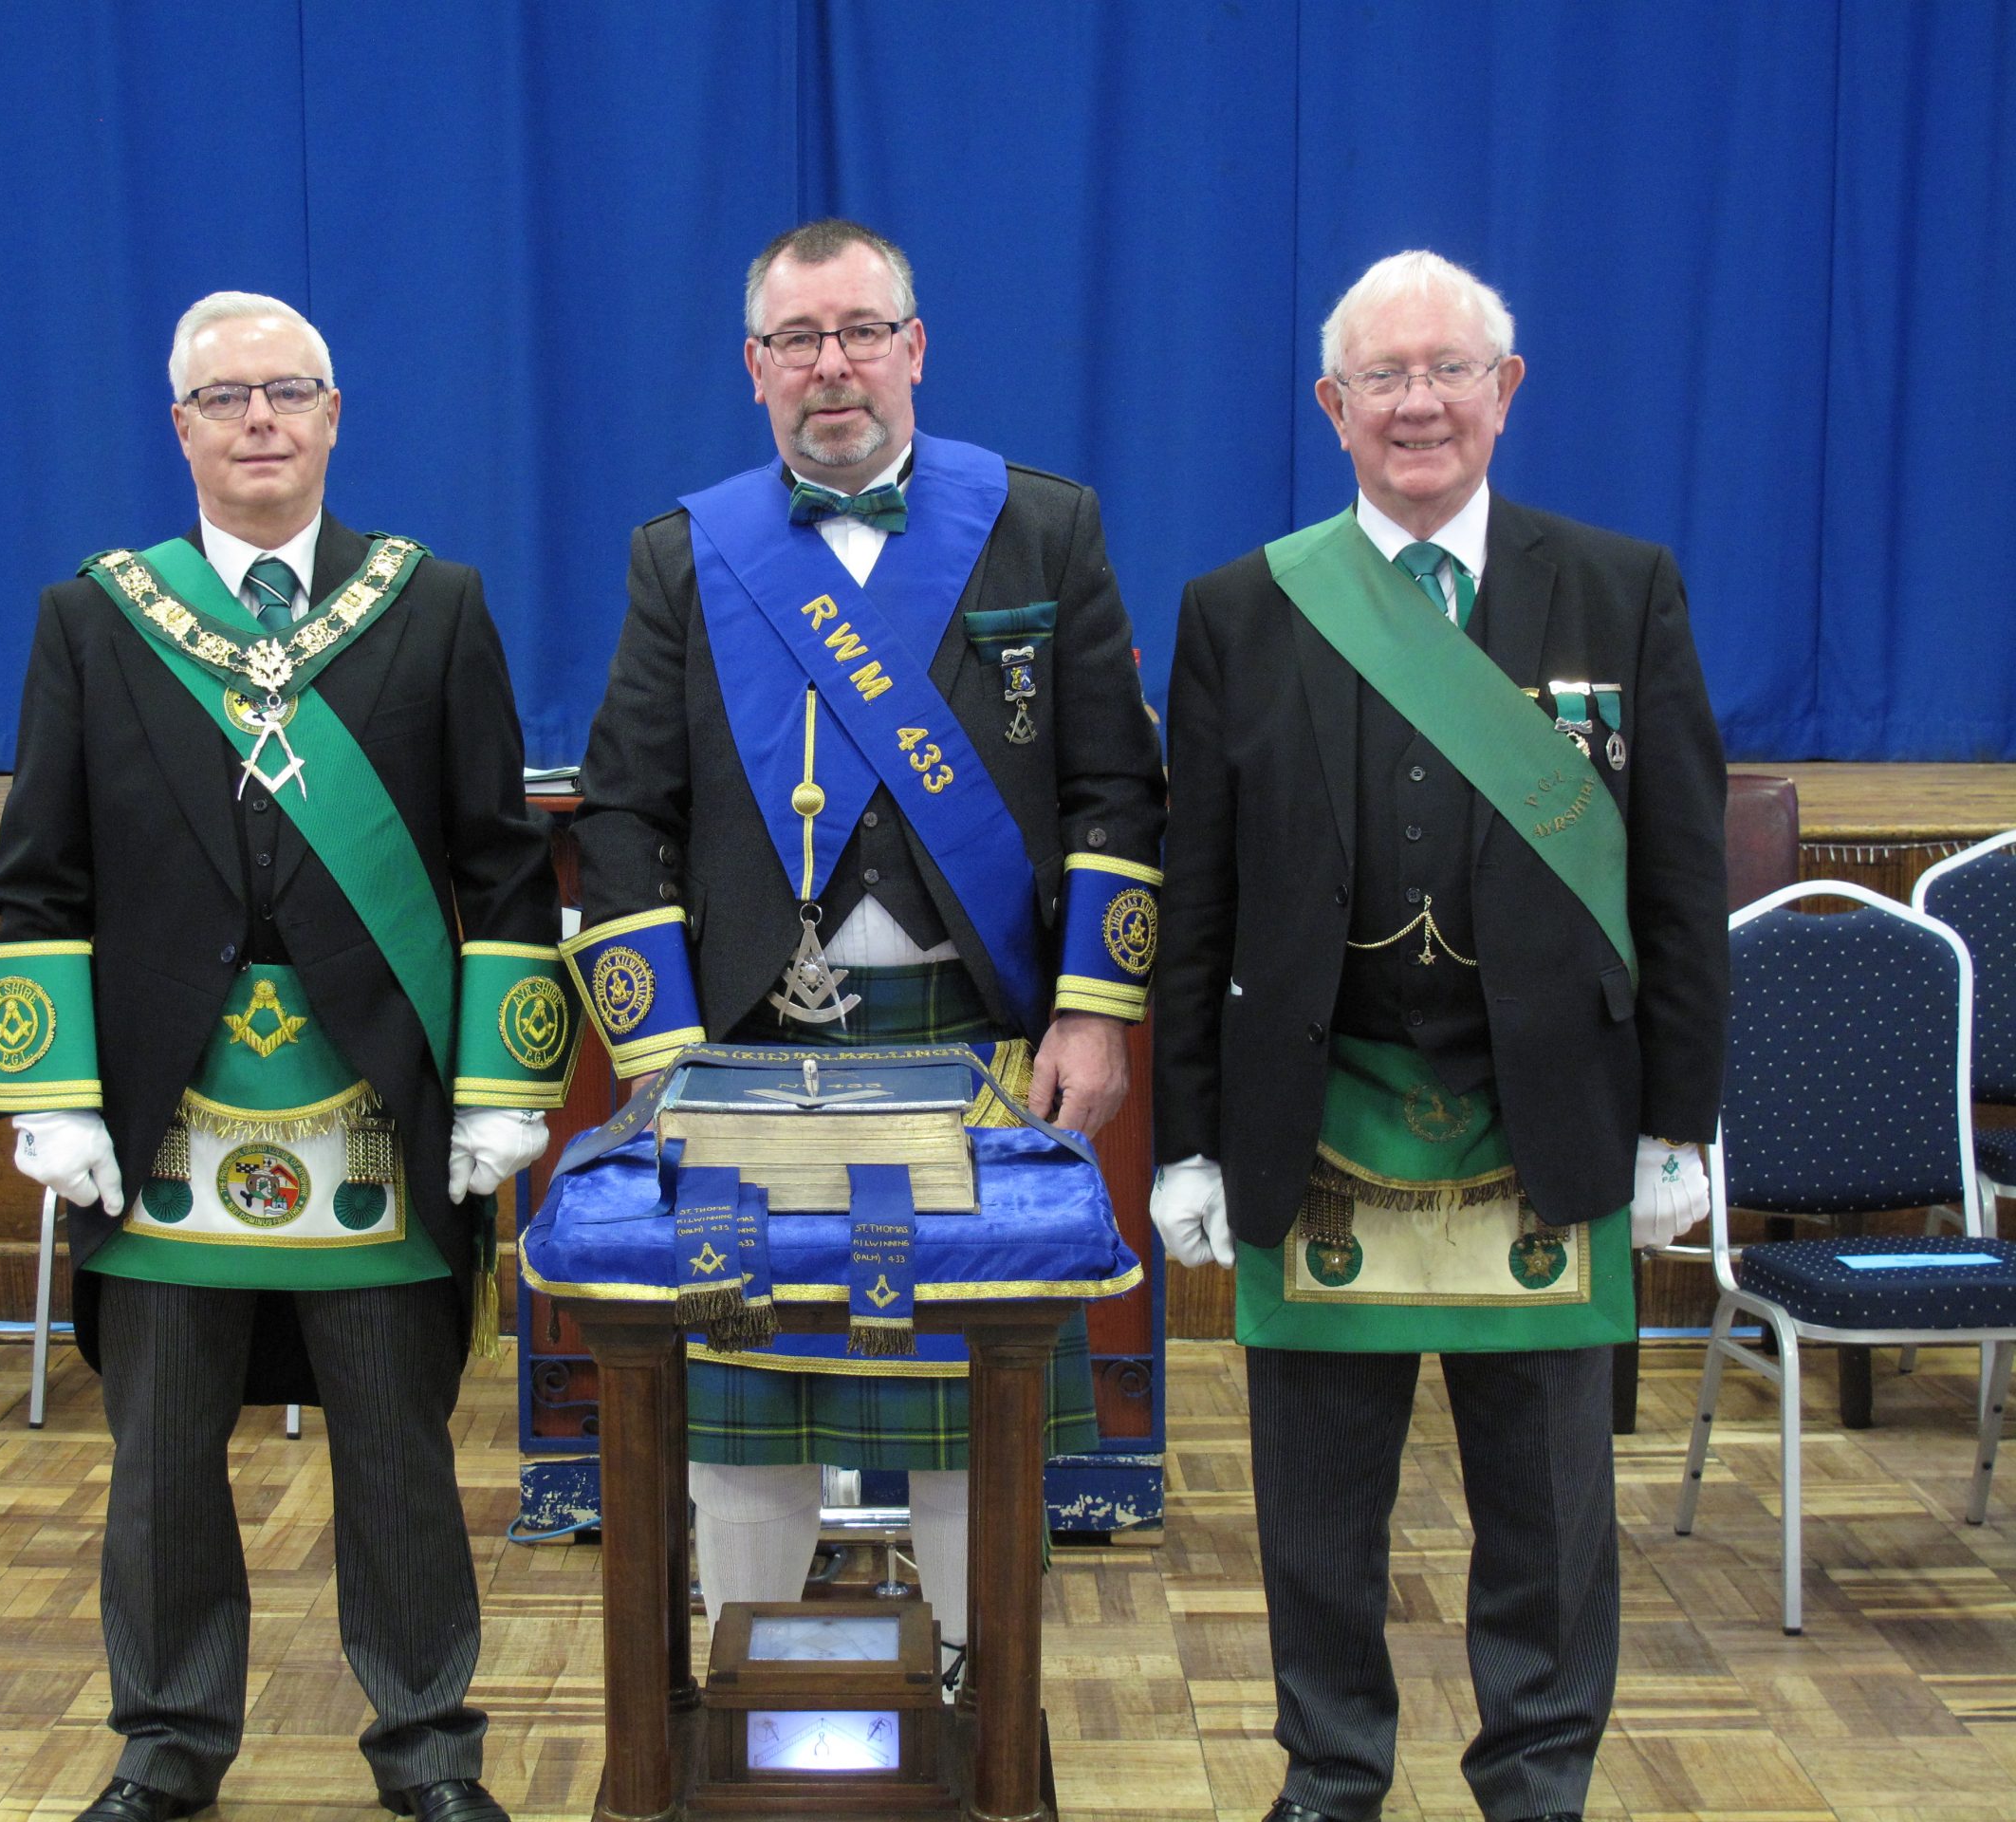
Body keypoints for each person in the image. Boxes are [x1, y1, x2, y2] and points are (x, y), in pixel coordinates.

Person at [0, 291, 571, 1822]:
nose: (259, 420)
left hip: (376, 1104)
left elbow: (501, 869)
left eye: (288, 392)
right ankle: (167, 1747)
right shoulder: (96, 618)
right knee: (163, 1467)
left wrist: (506, 1085)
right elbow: (39, 878)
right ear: (179, 426)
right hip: (161, 1114)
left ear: (332, 415)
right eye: (226, 397)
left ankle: (430, 1750)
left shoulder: (429, 604)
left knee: (397, 1454)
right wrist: (47, 1100)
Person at [1150, 250, 1728, 1822]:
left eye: (1450, 370)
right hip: (1316, 1118)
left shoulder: (1623, 588)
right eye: (1384, 378)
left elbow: (1678, 879)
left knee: (1548, 1514)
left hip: (1547, 1120)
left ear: (1506, 391)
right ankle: (1330, 1777)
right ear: (1332, 407)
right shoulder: (1239, 612)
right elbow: (1195, 905)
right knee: (1316, 1513)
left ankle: (1537, 1783)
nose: (1419, 403)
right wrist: (1186, 1134)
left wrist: (1684, 1122)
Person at [569, 219, 1166, 1657]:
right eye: (796, 342)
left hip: (971, 1045)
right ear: (754, 370)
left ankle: (982, 1712)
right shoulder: (681, 554)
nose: (829, 368)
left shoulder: (1044, 526)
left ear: (914, 347)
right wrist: (656, 1056)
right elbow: (620, 816)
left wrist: (1092, 1010)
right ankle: (760, 1708)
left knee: (967, 1394)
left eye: (858, 333)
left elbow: (1115, 791)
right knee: (748, 1390)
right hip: (744, 1054)